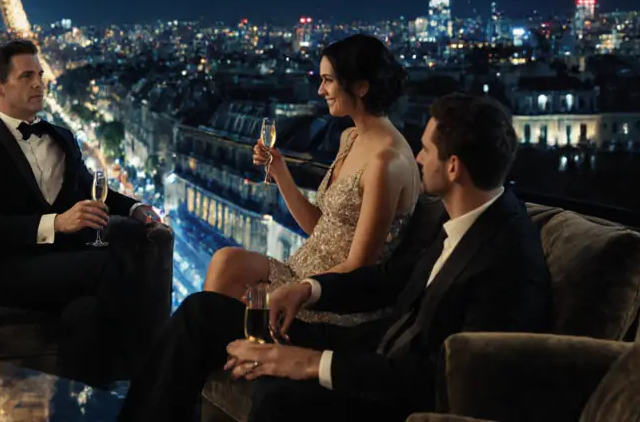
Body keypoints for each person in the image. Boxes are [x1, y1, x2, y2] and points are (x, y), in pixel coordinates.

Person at [120, 93, 552, 421]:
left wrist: (312, 363)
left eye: (425, 149)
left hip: (381, 378)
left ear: (454, 167)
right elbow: (387, 279)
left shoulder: (507, 263)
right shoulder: (464, 217)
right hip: (365, 348)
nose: (418, 157)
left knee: (278, 401)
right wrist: (307, 290)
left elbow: (445, 378)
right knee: (200, 313)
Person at [0, 39, 164, 385]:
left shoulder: (61, 137)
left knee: (88, 313)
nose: (38, 83)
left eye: (40, 74)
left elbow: (91, 188)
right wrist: (56, 223)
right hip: (7, 270)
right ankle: (153, 380)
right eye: (26, 76)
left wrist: (136, 208)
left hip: (62, 269)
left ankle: (85, 401)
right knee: (107, 263)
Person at [205, 34, 421, 329]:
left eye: (328, 80)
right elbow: (320, 228)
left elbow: (359, 266)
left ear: (361, 87)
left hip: (329, 297)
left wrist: (299, 290)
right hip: (301, 272)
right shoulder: (351, 137)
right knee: (225, 261)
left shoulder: (386, 162)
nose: (320, 90)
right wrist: (280, 171)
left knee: (209, 315)